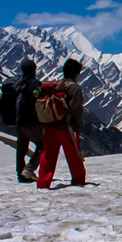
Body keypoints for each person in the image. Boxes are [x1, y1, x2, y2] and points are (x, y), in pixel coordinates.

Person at [37, 58, 86, 189]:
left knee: (48, 155)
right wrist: (77, 124)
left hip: (50, 125)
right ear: (76, 73)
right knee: (73, 154)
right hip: (67, 127)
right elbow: (76, 108)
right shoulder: (74, 87)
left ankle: (43, 182)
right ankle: (78, 181)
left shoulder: (57, 85)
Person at [13, 58, 44, 183]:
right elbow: (39, 98)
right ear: (33, 70)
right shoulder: (35, 84)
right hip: (32, 120)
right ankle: (29, 169)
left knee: (21, 148)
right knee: (43, 144)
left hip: (18, 121)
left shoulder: (16, 83)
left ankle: (20, 172)